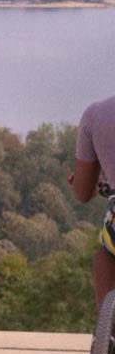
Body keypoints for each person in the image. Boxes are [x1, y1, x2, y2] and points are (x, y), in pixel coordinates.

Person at [70, 95, 115, 315]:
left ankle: (108, 326)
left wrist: (82, 184)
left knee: (106, 255)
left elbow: (82, 192)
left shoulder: (96, 114)